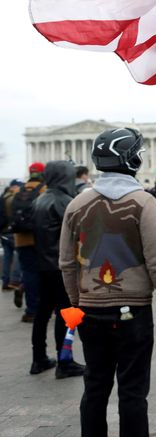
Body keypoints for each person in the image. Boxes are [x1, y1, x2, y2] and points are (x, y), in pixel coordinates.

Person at [60, 127, 156, 437]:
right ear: (132, 160)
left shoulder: (76, 205)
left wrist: (77, 300)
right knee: (132, 393)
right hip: (133, 312)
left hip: (91, 310)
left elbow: (66, 262)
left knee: (95, 388)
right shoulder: (144, 202)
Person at [30, 160, 85, 378]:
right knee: (66, 314)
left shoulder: (39, 199)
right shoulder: (65, 201)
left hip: (42, 265)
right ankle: (65, 361)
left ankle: (38, 358)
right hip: (61, 266)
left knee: (42, 313)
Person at [12, 162, 47, 322]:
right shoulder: (43, 190)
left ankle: (30, 310)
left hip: (21, 239)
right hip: (39, 239)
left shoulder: (18, 191)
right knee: (43, 274)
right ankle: (41, 307)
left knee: (28, 273)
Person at [1, 180, 23, 292]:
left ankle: (5, 281)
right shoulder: (14, 199)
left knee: (7, 257)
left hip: (4, 232)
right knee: (19, 256)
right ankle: (15, 280)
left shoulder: (3, 197)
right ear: (15, 187)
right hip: (12, 232)